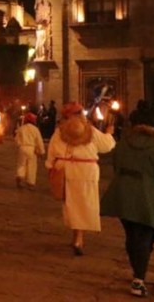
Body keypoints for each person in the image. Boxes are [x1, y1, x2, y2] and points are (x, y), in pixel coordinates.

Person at [101, 110, 154, 298]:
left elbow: (115, 165)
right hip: (145, 197)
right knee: (142, 238)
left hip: (122, 195)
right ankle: (138, 280)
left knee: (132, 235)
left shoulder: (124, 143)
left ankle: (137, 272)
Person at [45, 101, 115, 255]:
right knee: (85, 205)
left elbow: (52, 151)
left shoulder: (59, 132)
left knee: (73, 205)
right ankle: (79, 237)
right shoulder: (90, 130)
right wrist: (109, 133)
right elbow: (106, 146)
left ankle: (77, 236)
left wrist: (50, 166)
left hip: (67, 171)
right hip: (87, 171)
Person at [15, 112, 45, 189]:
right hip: (32, 149)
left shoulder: (21, 128)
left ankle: (20, 176)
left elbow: (17, 139)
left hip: (22, 147)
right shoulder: (35, 129)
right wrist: (41, 151)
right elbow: (39, 141)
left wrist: (19, 146)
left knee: (21, 164)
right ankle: (30, 183)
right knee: (32, 165)